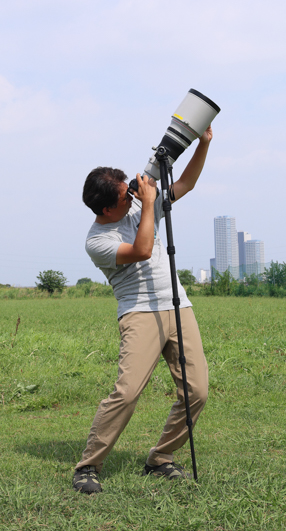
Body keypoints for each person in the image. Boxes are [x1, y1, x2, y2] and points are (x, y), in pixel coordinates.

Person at [73, 126, 213, 494]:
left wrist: (204, 144)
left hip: (178, 305)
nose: (132, 196)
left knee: (197, 392)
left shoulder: (136, 204)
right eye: (124, 196)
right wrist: (149, 203)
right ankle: (88, 465)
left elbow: (186, 184)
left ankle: (160, 458)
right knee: (128, 391)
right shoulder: (97, 240)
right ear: (107, 208)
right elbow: (143, 250)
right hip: (138, 312)